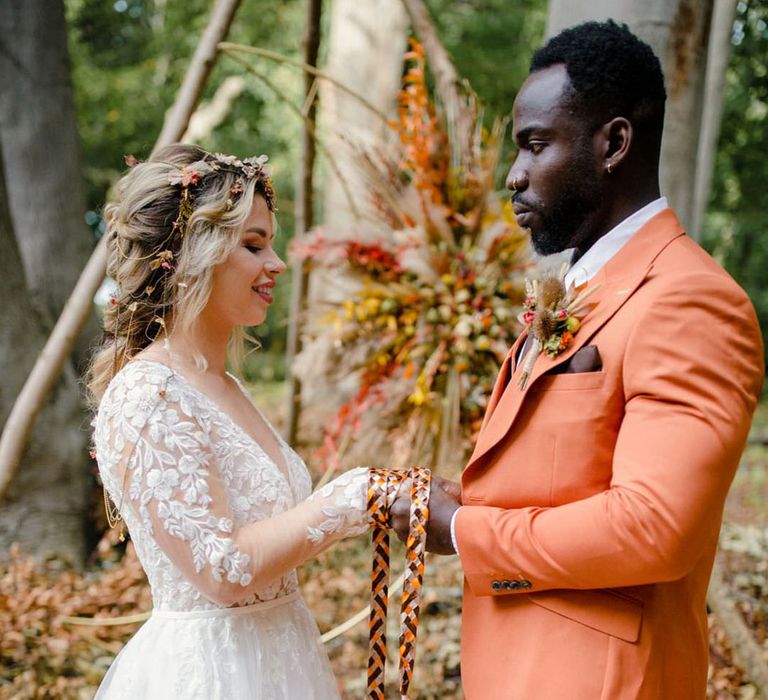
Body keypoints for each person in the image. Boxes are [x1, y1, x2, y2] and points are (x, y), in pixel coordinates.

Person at [391, 20, 765, 699]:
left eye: (536, 145)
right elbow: (566, 476)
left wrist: (467, 531)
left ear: (614, 143)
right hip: (519, 666)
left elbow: (654, 527)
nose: (515, 174)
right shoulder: (582, 286)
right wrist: (458, 498)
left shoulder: (692, 300)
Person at [87, 144, 383, 699]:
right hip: (214, 674)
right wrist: (353, 497)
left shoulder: (226, 386)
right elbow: (220, 570)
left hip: (284, 655)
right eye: (253, 245)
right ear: (192, 253)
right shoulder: (147, 395)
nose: (276, 264)